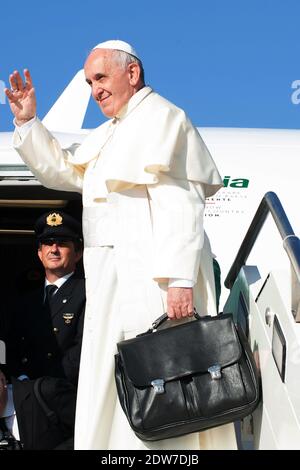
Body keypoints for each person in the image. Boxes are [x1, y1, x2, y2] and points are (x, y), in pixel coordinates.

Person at [6, 40, 236, 450]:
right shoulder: (109, 135)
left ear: (131, 73)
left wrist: (179, 280)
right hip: (112, 282)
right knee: (119, 394)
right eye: (89, 82)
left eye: (101, 78)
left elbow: (181, 204)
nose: (95, 89)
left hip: (153, 282)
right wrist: (28, 124)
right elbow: (64, 171)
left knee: (164, 387)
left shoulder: (163, 119)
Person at [6, 211, 85, 449]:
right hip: (26, 399)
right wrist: (21, 381)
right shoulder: (25, 301)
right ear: (39, 254)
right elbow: (10, 344)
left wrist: (47, 385)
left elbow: (84, 349)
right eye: (48, 244)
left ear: (78, 253)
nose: (54, 249)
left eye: (62, 244)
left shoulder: (88, 293)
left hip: (66, 398)